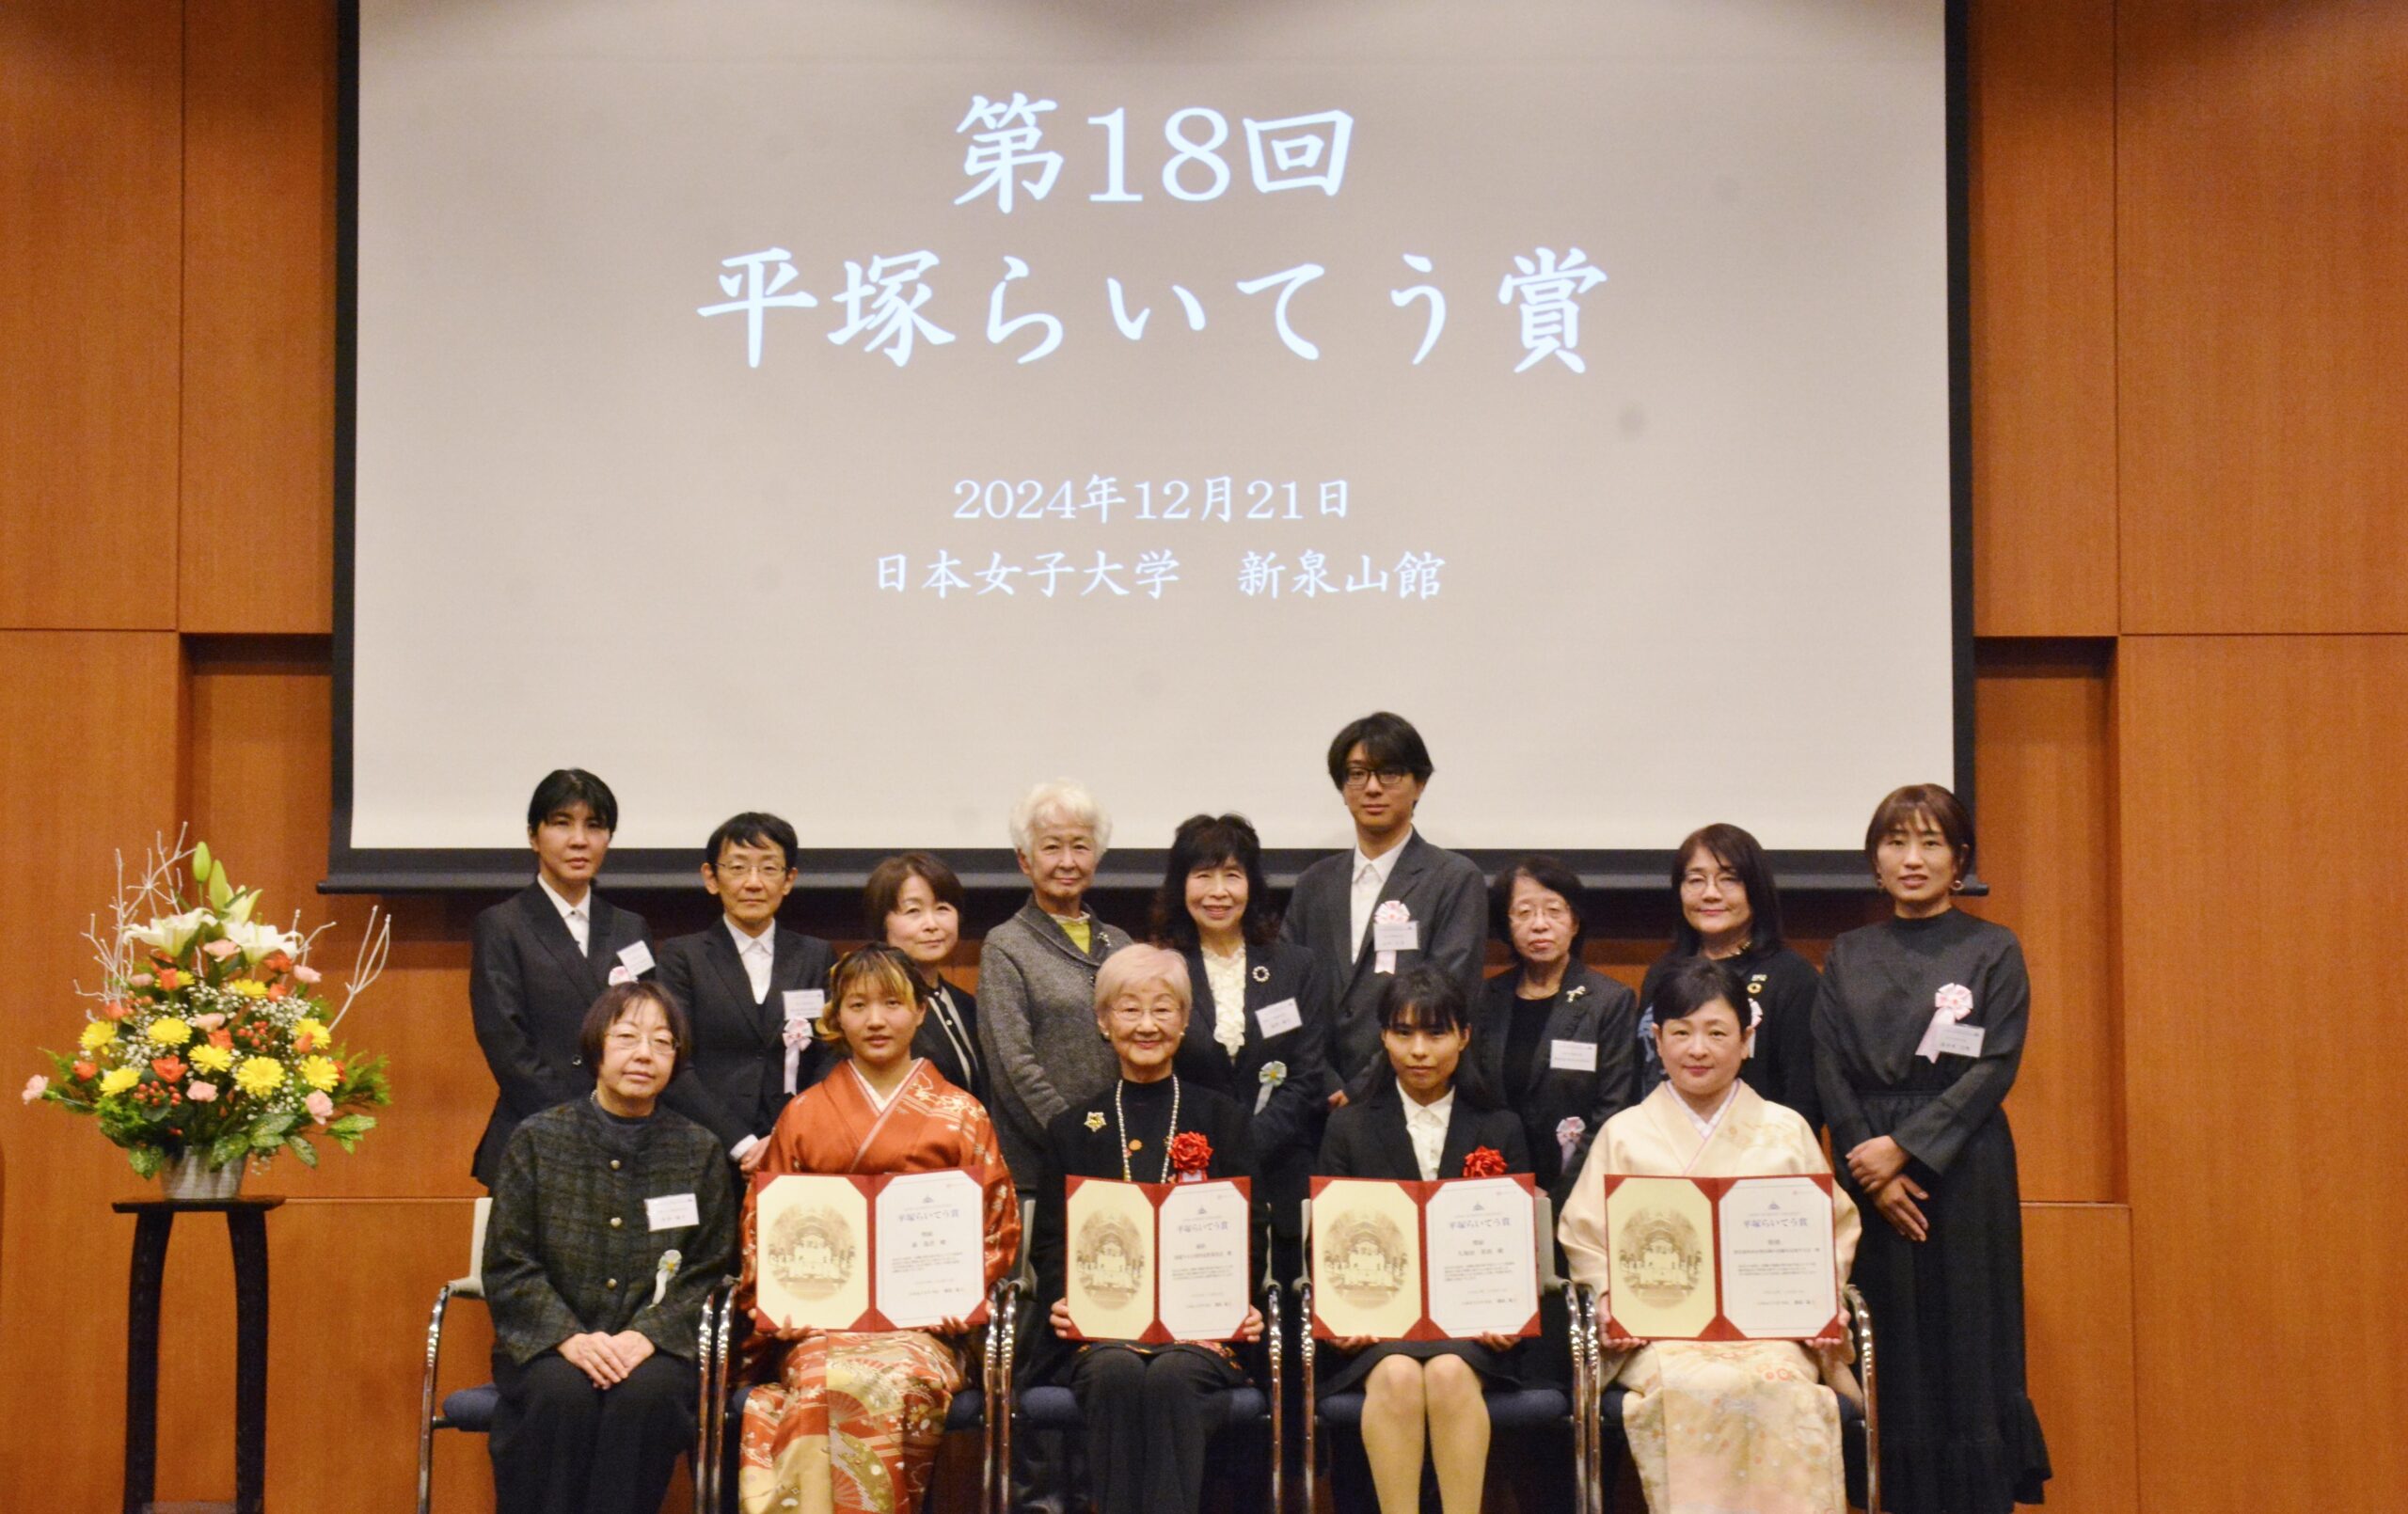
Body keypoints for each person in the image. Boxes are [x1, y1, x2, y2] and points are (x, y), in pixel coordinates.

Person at [1812, 785, 2051, 1512]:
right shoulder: (1848, 954)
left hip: (1964, 1166)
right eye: (1895, 843)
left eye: (1931, 843)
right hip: (1868, 1174)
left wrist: (1907, 1151)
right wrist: (1871, 1167)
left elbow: (1995, 1065)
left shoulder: (1992, 947)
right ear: (1875, 862)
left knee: (1968, 1336)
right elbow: (1828, 1066)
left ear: (1960, 861)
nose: (1911, 859)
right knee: (1889, 1344)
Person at [1559, 957, 1861, 1514]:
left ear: (1747, 1040)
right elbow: (1585, 1236)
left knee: (1786, 1392)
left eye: (1717, 1032)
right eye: (1681, 1033)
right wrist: (1608, 1300)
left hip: (1768, 1332)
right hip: (1661, 1334)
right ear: (1657, 1039)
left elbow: (1831, 1230)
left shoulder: (1786, 1129)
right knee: (1691, 1391)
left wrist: (1822, 1303)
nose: (1698, 1049)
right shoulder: (1624, 1134)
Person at [733, 944, 1021, 1514]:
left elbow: (996, 1223)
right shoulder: (804, 1114)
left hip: (927, 1330)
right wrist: (780, 1304)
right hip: (820, 1326)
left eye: (892, 1002)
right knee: (819, 1375)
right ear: (836, 1017)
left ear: (920, 1010)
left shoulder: (962, 1113)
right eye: (859, 1004)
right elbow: (764, 1228)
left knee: (889, 1379)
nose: (875, 1019)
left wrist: (960, 1297)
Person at [481, 981, 737, 1514]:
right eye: (627, 1037)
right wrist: (568, 1337)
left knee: (645, 1396)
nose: (644, 1054)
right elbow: (510, 1264)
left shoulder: (699, 1149)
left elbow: (711, 1269)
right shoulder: (537, 1139)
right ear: (596, 1049)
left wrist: (649, 1335)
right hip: (551, 1344)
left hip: (657, 1348)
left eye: (662, 1042)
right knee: (560, 1395)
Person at [1029, 945, 1264, 1514]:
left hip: (1200, 1330)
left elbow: (1248, 1233)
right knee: (1113, 1371)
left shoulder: (1222, 1119)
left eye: (1163, 1009)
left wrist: (1244, 1298)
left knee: (1172, 1376)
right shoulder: (1072, 1128)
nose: (1147, 1025)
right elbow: (1053, 1242)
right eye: (1129, 1010)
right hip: (1099, 1330)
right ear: (1104, 1022)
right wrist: (1066, 1300)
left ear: (1184, 1022)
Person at [1316, 966, 1531, 1514]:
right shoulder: (1350, 1128)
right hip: (1377, 1329)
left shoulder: (1501, 1126)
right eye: (1403, 1033)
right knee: (1395, 1376)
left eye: (1436, 1034)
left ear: (1463, 1036)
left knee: (1450, 1372)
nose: (1419, 1051)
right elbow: (1331, 1241)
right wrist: (1338, 1316)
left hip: (1474, 1329)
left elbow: (1522, 1244)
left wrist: (1511, 1314)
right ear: (1383, 1037)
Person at [1155, 812, 1331, 1277]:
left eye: (1232, 875)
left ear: (1251, 884)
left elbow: (1308, 1077)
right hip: (1189, 1174)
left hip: (1283, 1175)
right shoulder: (1161, 969)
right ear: (1181, 886)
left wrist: (1244, 1148)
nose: (1218, 892)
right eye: (1203, 876)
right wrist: (1212, 1154)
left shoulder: (1298, 967)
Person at [1281, 713, 1487, 1104]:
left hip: (1408, 1096)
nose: (1371, 788)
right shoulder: (1314, 883)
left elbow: (1450, 995)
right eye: (1357, 774)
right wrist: (1326, 1082)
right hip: (1313, 1098)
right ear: (1342, 789)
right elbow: (1288, 988)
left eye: (1389, 773)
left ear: (1420, 785)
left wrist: (1361, 1087)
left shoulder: (1455, 879)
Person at [470, 768, 653, 1188]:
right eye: (561, 823)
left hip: (625, 1134)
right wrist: (582, 1122)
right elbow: (505, 1041)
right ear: (534, 836)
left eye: (594, 826)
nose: (579, 840)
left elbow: (647, 1028)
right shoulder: (502, 925)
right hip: (537, 1131)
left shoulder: (630, 927)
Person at [975, 781, 1134, 1189]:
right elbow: (1014, 1070)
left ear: (1096, 857)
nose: (1068, 861)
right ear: (1025, 861)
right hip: (1043, 1168)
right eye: (1051, 847)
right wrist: (1077, 1140)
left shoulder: (1122, 944)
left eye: (1080, 846)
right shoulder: (1006, 945)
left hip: (1129, 1156)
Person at [658, 812, 836, 1175]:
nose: (753, 883)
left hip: (797, 1154)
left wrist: (787, 1137)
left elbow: (831, 1056)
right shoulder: (683, 957)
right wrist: (741, 1144)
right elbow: (674, 1060)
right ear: (711, 877)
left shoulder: (816, 956)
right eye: (738, 868)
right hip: (704, 1150)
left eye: (769, 869)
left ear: (789, 880)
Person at [1471, 855, 1641, 1207]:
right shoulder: (1486, 999)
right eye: (1524, 913)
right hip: (1498, 1188)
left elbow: (1613, 1110)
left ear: (1574, 922)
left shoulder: (1609, 1001)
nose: (1539, 925)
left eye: (1553, 911)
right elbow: (1477, 1101)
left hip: (1580, 1192)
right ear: (1507, 924)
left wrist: (1561, 1198)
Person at [1635, 824, 1822, 1130]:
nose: (1710, 894)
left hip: (1757, 1155)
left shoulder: (1791, 977)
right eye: (1695, 880)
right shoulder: (1662, 973)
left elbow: (1803, 1097)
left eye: (1729, 880)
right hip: (1664, 1151)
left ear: (1756, 889)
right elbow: (1643, 1074)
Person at [866, 851, 986, 1106]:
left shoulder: (967, 1004)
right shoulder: (874, 1010)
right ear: (882, 922)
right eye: (913, 911)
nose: (931, 924)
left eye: (942, 908)